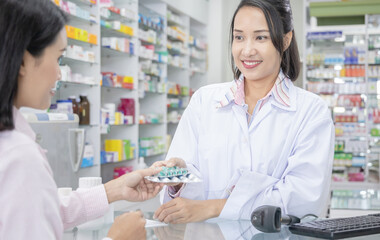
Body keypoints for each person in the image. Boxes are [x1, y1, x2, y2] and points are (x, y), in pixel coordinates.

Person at [153, 0, 334, 224]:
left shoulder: (311, 111)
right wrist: (178, 178)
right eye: (239, 37)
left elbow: (303, 199)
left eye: (261, 37)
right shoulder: (204, 101)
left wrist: (213, 207)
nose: (247, 50)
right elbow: (178, 195)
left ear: (286, 40)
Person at [0, 0, 163, 239]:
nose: (59, 73)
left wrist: (115, 189)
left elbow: (43, 211)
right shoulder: (18, 156)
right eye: (58, 59)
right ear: (24, 61)